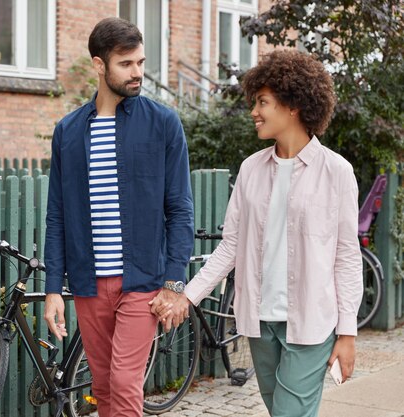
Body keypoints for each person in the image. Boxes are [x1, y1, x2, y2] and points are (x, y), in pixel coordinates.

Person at [151, 50, 363, 417]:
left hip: (312, 322)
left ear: (293, 105)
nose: (254, 112)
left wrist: (347, 333)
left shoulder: (337, 172)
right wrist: (187, 296)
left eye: (262, 102)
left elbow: (346, 257)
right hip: (260, 320)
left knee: (287, 413)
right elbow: (230, 245)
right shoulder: (251, 169)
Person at [42, 17, 194, 417]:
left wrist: (174, 282)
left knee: (126, 384)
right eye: (126, 64)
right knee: (104, 386)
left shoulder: (163, 124)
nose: (137, 72)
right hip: (90, 283)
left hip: (141, 280)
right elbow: (56, 213)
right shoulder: (69, 132)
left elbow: (179, 208)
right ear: (99, 65)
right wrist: (53, 288)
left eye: (141, 62)